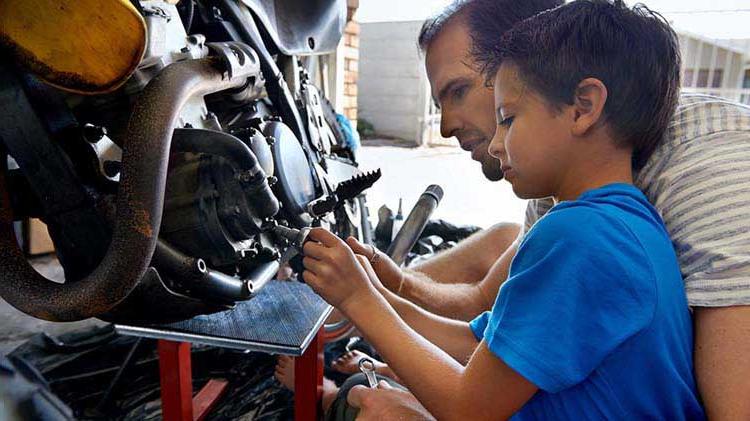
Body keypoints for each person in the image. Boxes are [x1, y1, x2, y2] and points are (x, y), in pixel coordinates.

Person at [303, 1, 706, 419]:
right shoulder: (624, 224)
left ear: (583, 107)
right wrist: (377, 293)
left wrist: (359, 297)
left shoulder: (580, 236)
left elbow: (468, 408)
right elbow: (476, 345)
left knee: (375, 409)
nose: (497, 144)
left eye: (509, 118)